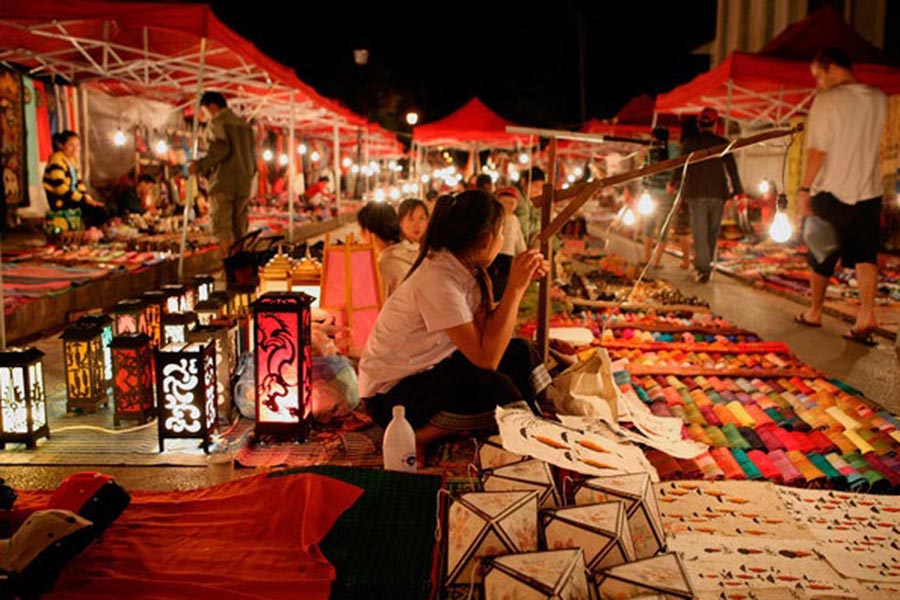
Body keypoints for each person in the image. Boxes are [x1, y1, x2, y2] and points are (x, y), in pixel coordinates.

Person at [359, 190, 549, 465]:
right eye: (501, 234)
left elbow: (490, 336)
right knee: (492, 384)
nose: (503, 241)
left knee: (519, 351)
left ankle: (538, 414)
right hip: (391, 398)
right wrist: (515, 290)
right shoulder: (439, 279)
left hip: (429, 372)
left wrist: (520, 284)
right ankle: (421, 435)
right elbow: (486, 358)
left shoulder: (466, 268)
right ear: (487, 240)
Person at [794, 48, 887, 345]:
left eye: (819, 76)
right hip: (869, 189)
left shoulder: (828, 100)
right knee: (865, 254)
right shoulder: (878, 98)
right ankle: (866, 315)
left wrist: (804, 189)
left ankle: (815, 311)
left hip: (831, 189)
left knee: (821, 255)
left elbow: (818, 150)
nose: (818, 84)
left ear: (831, 67)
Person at [671, 107, 745, 282]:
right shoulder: (722, 142)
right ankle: (706, 267)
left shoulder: (689, 143)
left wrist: (673, 183)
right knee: (712, 232)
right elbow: (732, 169)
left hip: (696, 193)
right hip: (718, 193)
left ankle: (703, 269)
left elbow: (680, 165)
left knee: (700, 233)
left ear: (699, 123)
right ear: (715, 124)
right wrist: (739, 192)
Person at [188, 91, 256, 252]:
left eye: (204, 111)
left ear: (212, 106)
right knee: (240, 228)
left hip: (224, 182)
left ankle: (229, 269)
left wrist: (199, 165)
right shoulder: (245, 125)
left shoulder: (218, 121)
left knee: (222, 228)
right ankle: (241, 269)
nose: (205, 115)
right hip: (244, 184)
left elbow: (220, 148)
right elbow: (254, 158)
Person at [43, 130, 108, 227]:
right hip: (61, 200)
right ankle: (89, 233)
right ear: (62, 145)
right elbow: (60, 188)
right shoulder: (56, 159)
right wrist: (83, 199)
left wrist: (89, 199)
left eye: (77, 145)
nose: (75, 149)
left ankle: (91, 232)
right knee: (98, 212)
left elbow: (80, 185)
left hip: (73, 197)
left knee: (105, 208)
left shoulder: (72, 161)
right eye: (71, 145)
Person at [357, 202, 414, 299]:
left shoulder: (383, 269)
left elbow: (375, 308)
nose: (360, 236)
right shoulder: (412, 253)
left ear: (369, 233)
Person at [489, 186, 527, 300]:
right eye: (504, 202)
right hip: (493, 253)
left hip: (508, 255)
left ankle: (499, 299)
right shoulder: (495, 218)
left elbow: (518, 238)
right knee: (491, 278)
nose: (507, 206)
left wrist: (523, 253)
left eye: (511, 203)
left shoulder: (515, 220)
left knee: (504, 280)